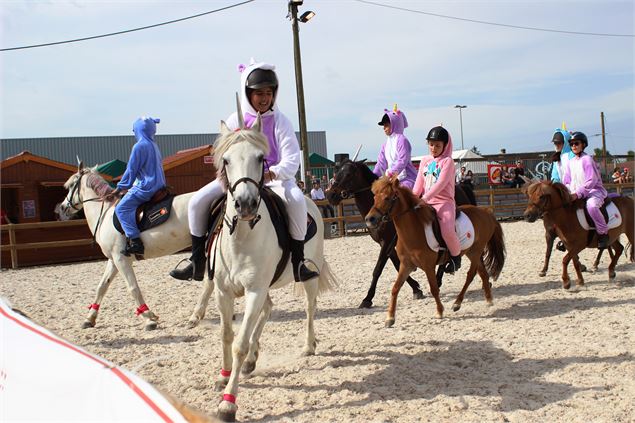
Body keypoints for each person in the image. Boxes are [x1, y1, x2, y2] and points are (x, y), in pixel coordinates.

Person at [170, 59, 318, 282]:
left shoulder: (281, 121)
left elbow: (291, 159)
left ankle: (298, 262)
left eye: (269, 92)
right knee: (196, 202)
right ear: (248, 94)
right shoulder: (233, 120)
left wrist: (272, 173)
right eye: (259, 93)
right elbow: (222, 156)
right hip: (238, 179)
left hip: (273, 179)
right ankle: (196, 260)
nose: (265, 98)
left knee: (297, 200)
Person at [110, 117, 165, 256]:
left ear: (140, 130)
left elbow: (131, 170)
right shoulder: (154, 145)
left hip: (146, 187)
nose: (133, 132)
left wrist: (120, 188)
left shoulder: (139, 146)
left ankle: (135, 241)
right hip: (160, 185)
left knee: (121, 208)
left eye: (134, 129)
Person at [413, 126, 462, 273]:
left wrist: (425, 198)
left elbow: (441, 184)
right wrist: (413, 198)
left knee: (447, 230)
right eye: (431, 144)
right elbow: (419, 182)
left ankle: (455, 259)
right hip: (425, 201)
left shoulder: (448, 162)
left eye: (438, 145)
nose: (433, 148)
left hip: (444, 202)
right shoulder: (425, 161)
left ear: (445, 146)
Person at [562, 131, 609, 249]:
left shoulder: (587, 159)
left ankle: (603, 234)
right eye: (571, 144)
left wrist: (577, 194)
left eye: (576, 143)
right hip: (576, 193)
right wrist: (568, 192)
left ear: (583, 144)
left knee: (592, 206)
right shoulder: (570, 163)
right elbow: (566, 181)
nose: (574, 146)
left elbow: (591, 181)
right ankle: (566, 237)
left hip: (594, 191)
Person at [372, 105, 417, 189]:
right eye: (383, 126)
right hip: (392, 178)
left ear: (394, 124)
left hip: (407, 178)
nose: (384, 128)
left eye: (386, 125)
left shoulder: (402, 140)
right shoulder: (385, 145)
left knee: (398, 193)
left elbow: (402, 161)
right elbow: (381, 163)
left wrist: (390, 173)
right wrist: (372, 176)